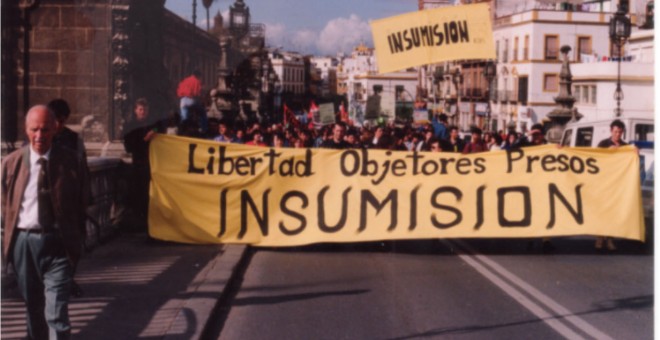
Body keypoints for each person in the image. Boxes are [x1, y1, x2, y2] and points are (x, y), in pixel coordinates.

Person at [2, 105, 88, 339]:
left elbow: (82, 201)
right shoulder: (11, 164)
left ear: (55, 130)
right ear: (26, 130)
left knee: (57, 312)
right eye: (34, 130)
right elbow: (4, 206)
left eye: (45, 130)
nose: (40, 136)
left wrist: (77, 239)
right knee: (33, 308)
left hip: (58, 243)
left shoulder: (71, 162)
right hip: (24, 243)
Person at [122, 98, 162, 231]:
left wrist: (154, 131)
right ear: (135, 111)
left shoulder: (152, 124)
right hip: (139, 165)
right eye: (140, 109)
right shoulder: (129, 126)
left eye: (145, 109)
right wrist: (145, 140)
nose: (143, 112)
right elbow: (129, 147)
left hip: (153, 165)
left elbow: (160, 127)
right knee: (139, 195)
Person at [594, 119, 628, 252]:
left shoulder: (625, 146)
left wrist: (634, 151)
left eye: (620, 132)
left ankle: (610, 239)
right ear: (611, 131)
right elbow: (595, 159)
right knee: (602, 211)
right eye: (615, 132)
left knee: (613, 212)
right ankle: (600, 237)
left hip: (617, 185)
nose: (617, 134)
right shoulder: (603, 144)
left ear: (622, 132)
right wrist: (607, 152)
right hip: (604, 183)